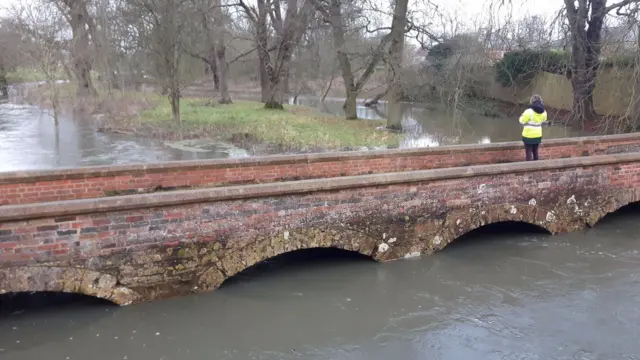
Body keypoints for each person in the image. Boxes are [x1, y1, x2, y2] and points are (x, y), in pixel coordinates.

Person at [519, 94, 548, 161]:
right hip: (538, 135)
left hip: (528, 135)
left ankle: (529, 167)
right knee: (535, 151)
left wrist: (522, 116)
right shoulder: (544, 112)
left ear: (532, 101)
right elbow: (544, 120)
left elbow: (521, 121)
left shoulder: (528, 111)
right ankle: (536, 165)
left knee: (528, 152)